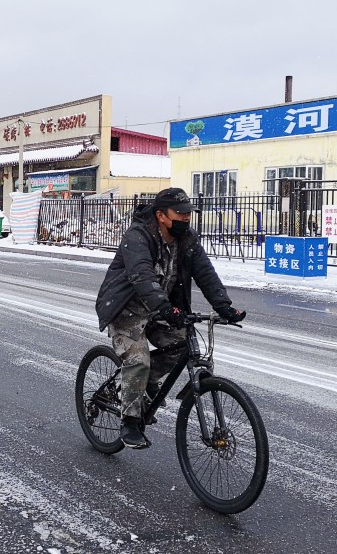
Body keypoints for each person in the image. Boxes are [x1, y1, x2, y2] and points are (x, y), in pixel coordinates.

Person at [95, 187, 246, 450]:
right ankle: (130, 422)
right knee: (138, 360)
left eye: (188, 213)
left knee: (182, 346)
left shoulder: (187, 239)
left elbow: (206, 274)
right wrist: (164, 307)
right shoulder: (138, 236)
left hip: (160, 309)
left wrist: (224, 306)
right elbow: (142, 276)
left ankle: (146, 382)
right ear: (161, 215)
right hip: (126, 310)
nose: (186, 218)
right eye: (180, 213)